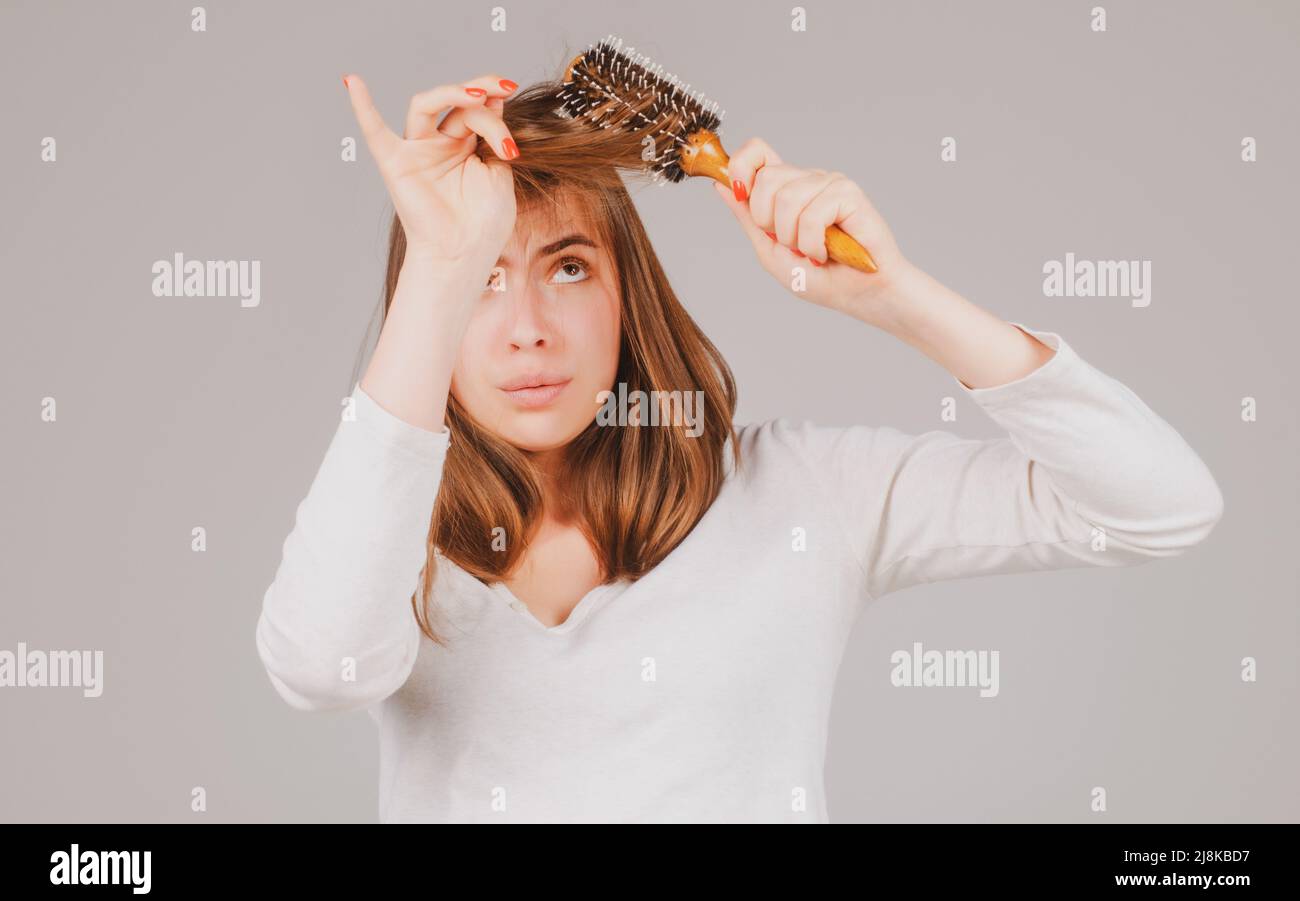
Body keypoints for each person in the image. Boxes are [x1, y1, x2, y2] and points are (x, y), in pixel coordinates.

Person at [255, 72, 1224, 823]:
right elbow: (323, 669)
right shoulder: (381, 536)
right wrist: (439, 260)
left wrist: (897, 297)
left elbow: (1160, 506)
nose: (527, 329)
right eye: (483, 283)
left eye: (568, 265)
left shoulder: (806, 494)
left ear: (626, 290)